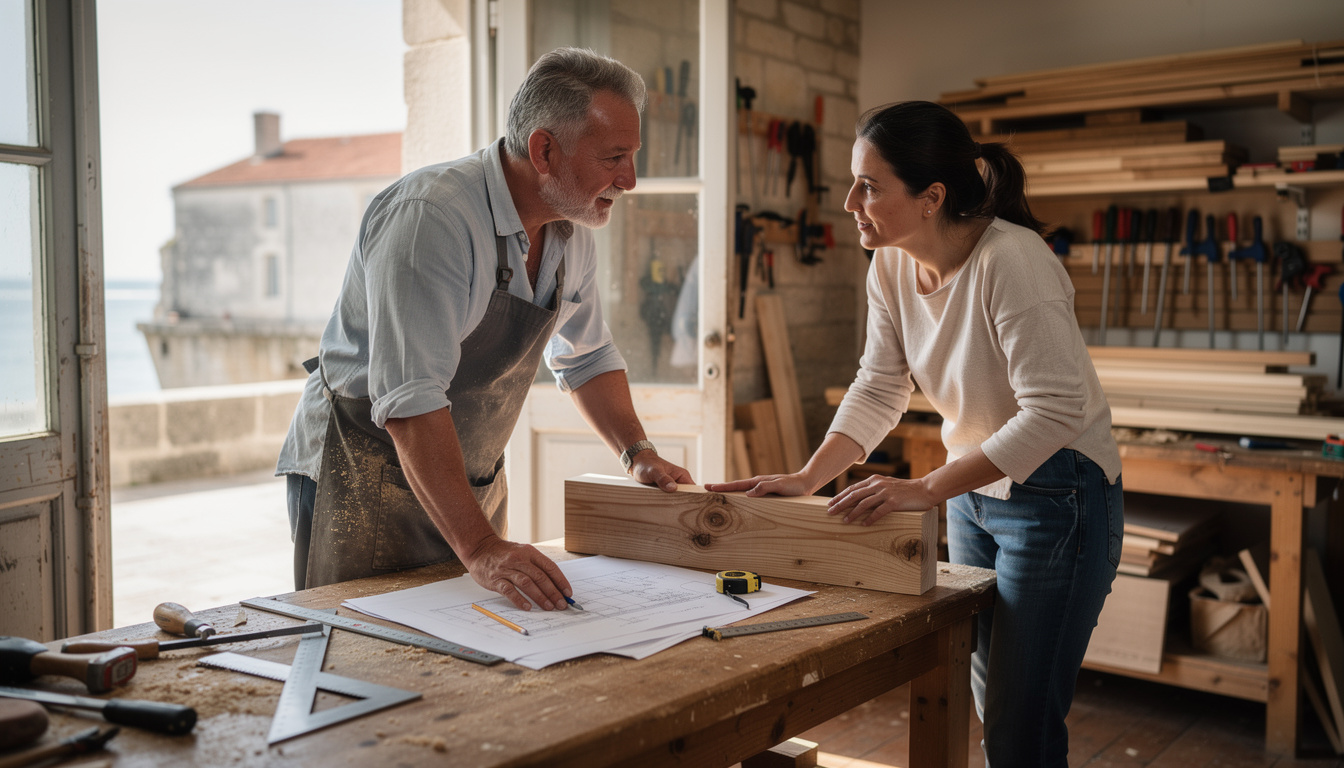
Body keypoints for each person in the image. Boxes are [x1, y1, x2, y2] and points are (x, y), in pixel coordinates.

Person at [706, 100, 1123, 767]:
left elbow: (1056, 411)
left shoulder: (1012, 261)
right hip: (974, 489)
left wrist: (925, 488)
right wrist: (808, 477)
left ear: (931, 197)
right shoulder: (892, 266)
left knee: (1021, 721)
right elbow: (879, 387)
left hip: (1057, 493)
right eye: (852, 180)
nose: (849, 201)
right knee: (993, 695)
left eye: (869, 186)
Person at [278, 47, 693, 610]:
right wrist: (479, 546)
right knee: (361, 644)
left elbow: (586, 356)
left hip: (465, 476)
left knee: (474, 654)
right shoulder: (432, 218)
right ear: (543, 150)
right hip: (364, 468)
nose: (631, 179)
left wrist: (637, 452)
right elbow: (410, 400)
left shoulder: (572, 232)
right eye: (614, 157)